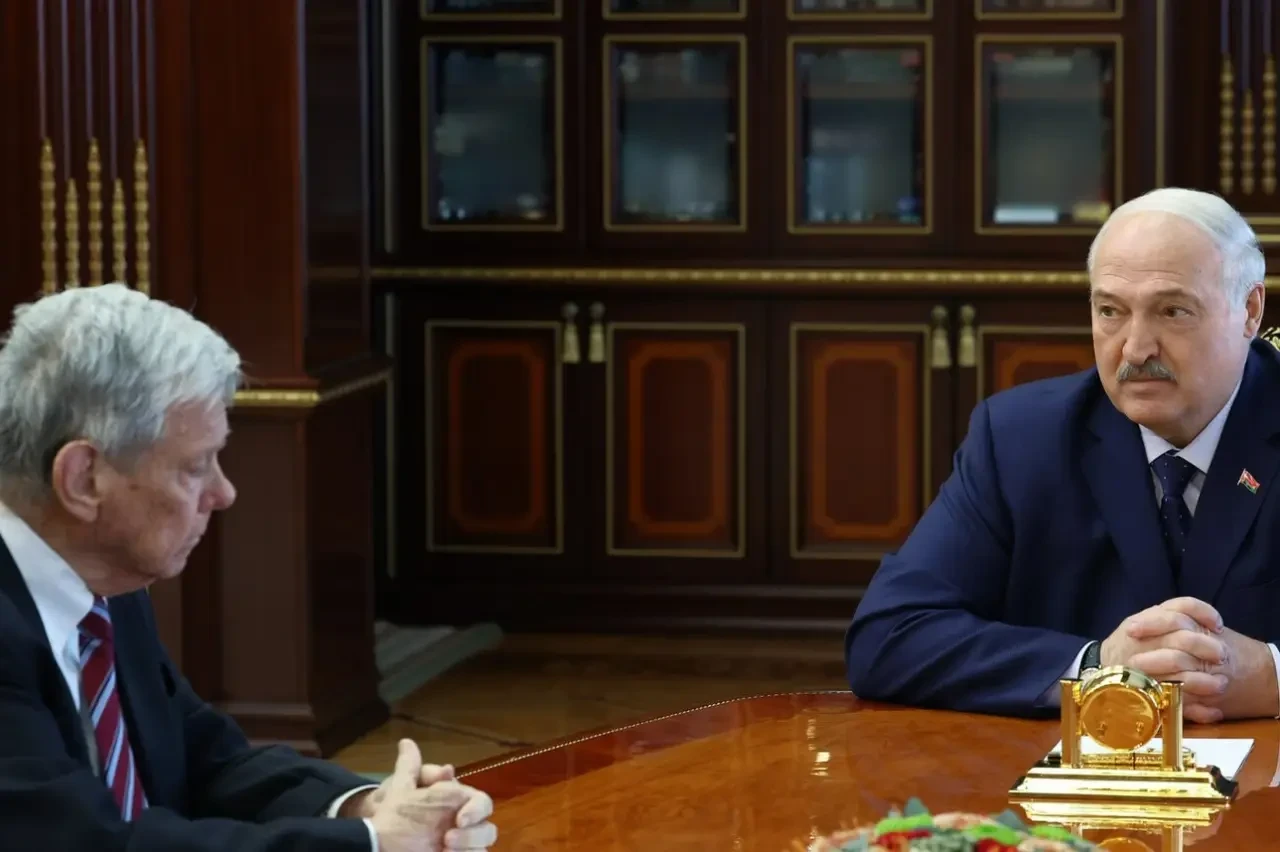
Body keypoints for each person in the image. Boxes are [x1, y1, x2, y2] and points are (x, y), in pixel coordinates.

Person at [0, 284, 496, 851]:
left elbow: (204, 758)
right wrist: (370, 844)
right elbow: (84, 843)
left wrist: (363, 805)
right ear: (85, 478)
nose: (224, 493)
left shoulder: (105, 579)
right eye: (195, 467)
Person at [845, 188, 1280, 724]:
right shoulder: (1021, 438)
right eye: (1110, 311)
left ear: (1249, 311)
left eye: (1172, 311)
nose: (1135, 349)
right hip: (1076, 769)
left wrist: (1272, 678)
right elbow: (888, 636)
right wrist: (1097, 669)